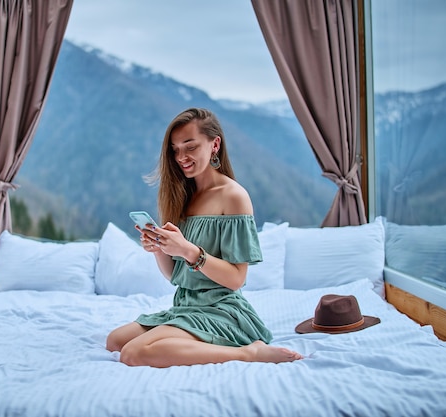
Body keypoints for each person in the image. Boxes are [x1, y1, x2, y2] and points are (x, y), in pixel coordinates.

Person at [106, 107, 303, 368]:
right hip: (186, 306)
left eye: (190, 147)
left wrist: (190, 251)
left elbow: (236, 279)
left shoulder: (233, 196)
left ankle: (248, 353)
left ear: (214, 145)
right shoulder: (182, 196)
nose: (181, 157)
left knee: (133, 353)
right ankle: (190, 342)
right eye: (175, 150)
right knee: (115, 341)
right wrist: (159, 249)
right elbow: (176, 276)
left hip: (221, 310)